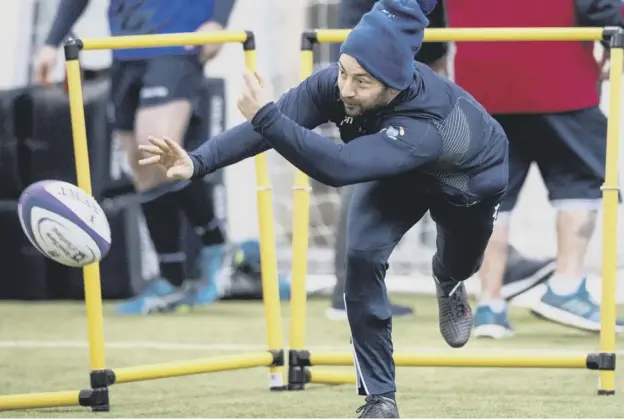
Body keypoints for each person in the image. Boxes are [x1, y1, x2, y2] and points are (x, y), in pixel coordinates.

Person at [139, 0, 509, 416]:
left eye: (362, 82)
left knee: (460, 262)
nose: (346, 89)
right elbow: (272, 122)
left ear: (396, 84)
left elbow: (338, 166)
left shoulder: (428, 125)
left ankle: (450, 280)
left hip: (467, 182)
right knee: (360, 257)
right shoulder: (338, 84)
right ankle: (379, 398)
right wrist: (198, 161)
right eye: (343, 72)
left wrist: (267, 119)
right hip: (394, 174)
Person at [35, 0, 236, 314]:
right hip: (125, 46)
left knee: (155, 147)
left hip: (178, 40)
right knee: (141, 168)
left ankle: (216, 244)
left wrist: (218, 21)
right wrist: (51, 41)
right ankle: (172, 280)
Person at [444, 0, 624, 338]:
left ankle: (489, 304)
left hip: (481, 74)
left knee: (490, 189)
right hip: (559, 71)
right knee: (581, 179)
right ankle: (566, 287)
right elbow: (599, 5)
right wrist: (617, 37)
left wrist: (431, 52)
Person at [326, 0, 450, 321]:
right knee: (366, 174)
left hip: (379, 67)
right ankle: (350, 292)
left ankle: (353, 289)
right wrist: (436, 54)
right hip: (373, 70)